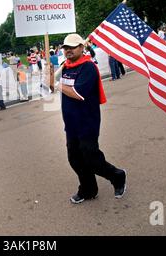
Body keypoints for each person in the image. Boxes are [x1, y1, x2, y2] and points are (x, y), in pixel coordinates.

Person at [58, 33, 126, 204]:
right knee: (75, 159)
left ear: (82, 47)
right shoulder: (65, 67)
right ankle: (88, 189)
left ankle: (117, 176)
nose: (68, 51)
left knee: (91, 158)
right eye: (66, 48)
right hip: (71, 123)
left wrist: (57, 84)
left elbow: (78, 94)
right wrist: (49, 79)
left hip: (87, 122)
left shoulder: (88, 67)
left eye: (72, 47)